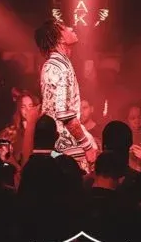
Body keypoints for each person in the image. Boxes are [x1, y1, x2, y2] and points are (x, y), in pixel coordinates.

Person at [34, 19, 97, 172]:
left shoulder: (51, 64)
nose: (71, 27)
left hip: (55, 145)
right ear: (60, 38)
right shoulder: (61, 66)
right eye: (64, 27)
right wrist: (87, 146)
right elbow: (65, 114)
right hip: (67, 151)